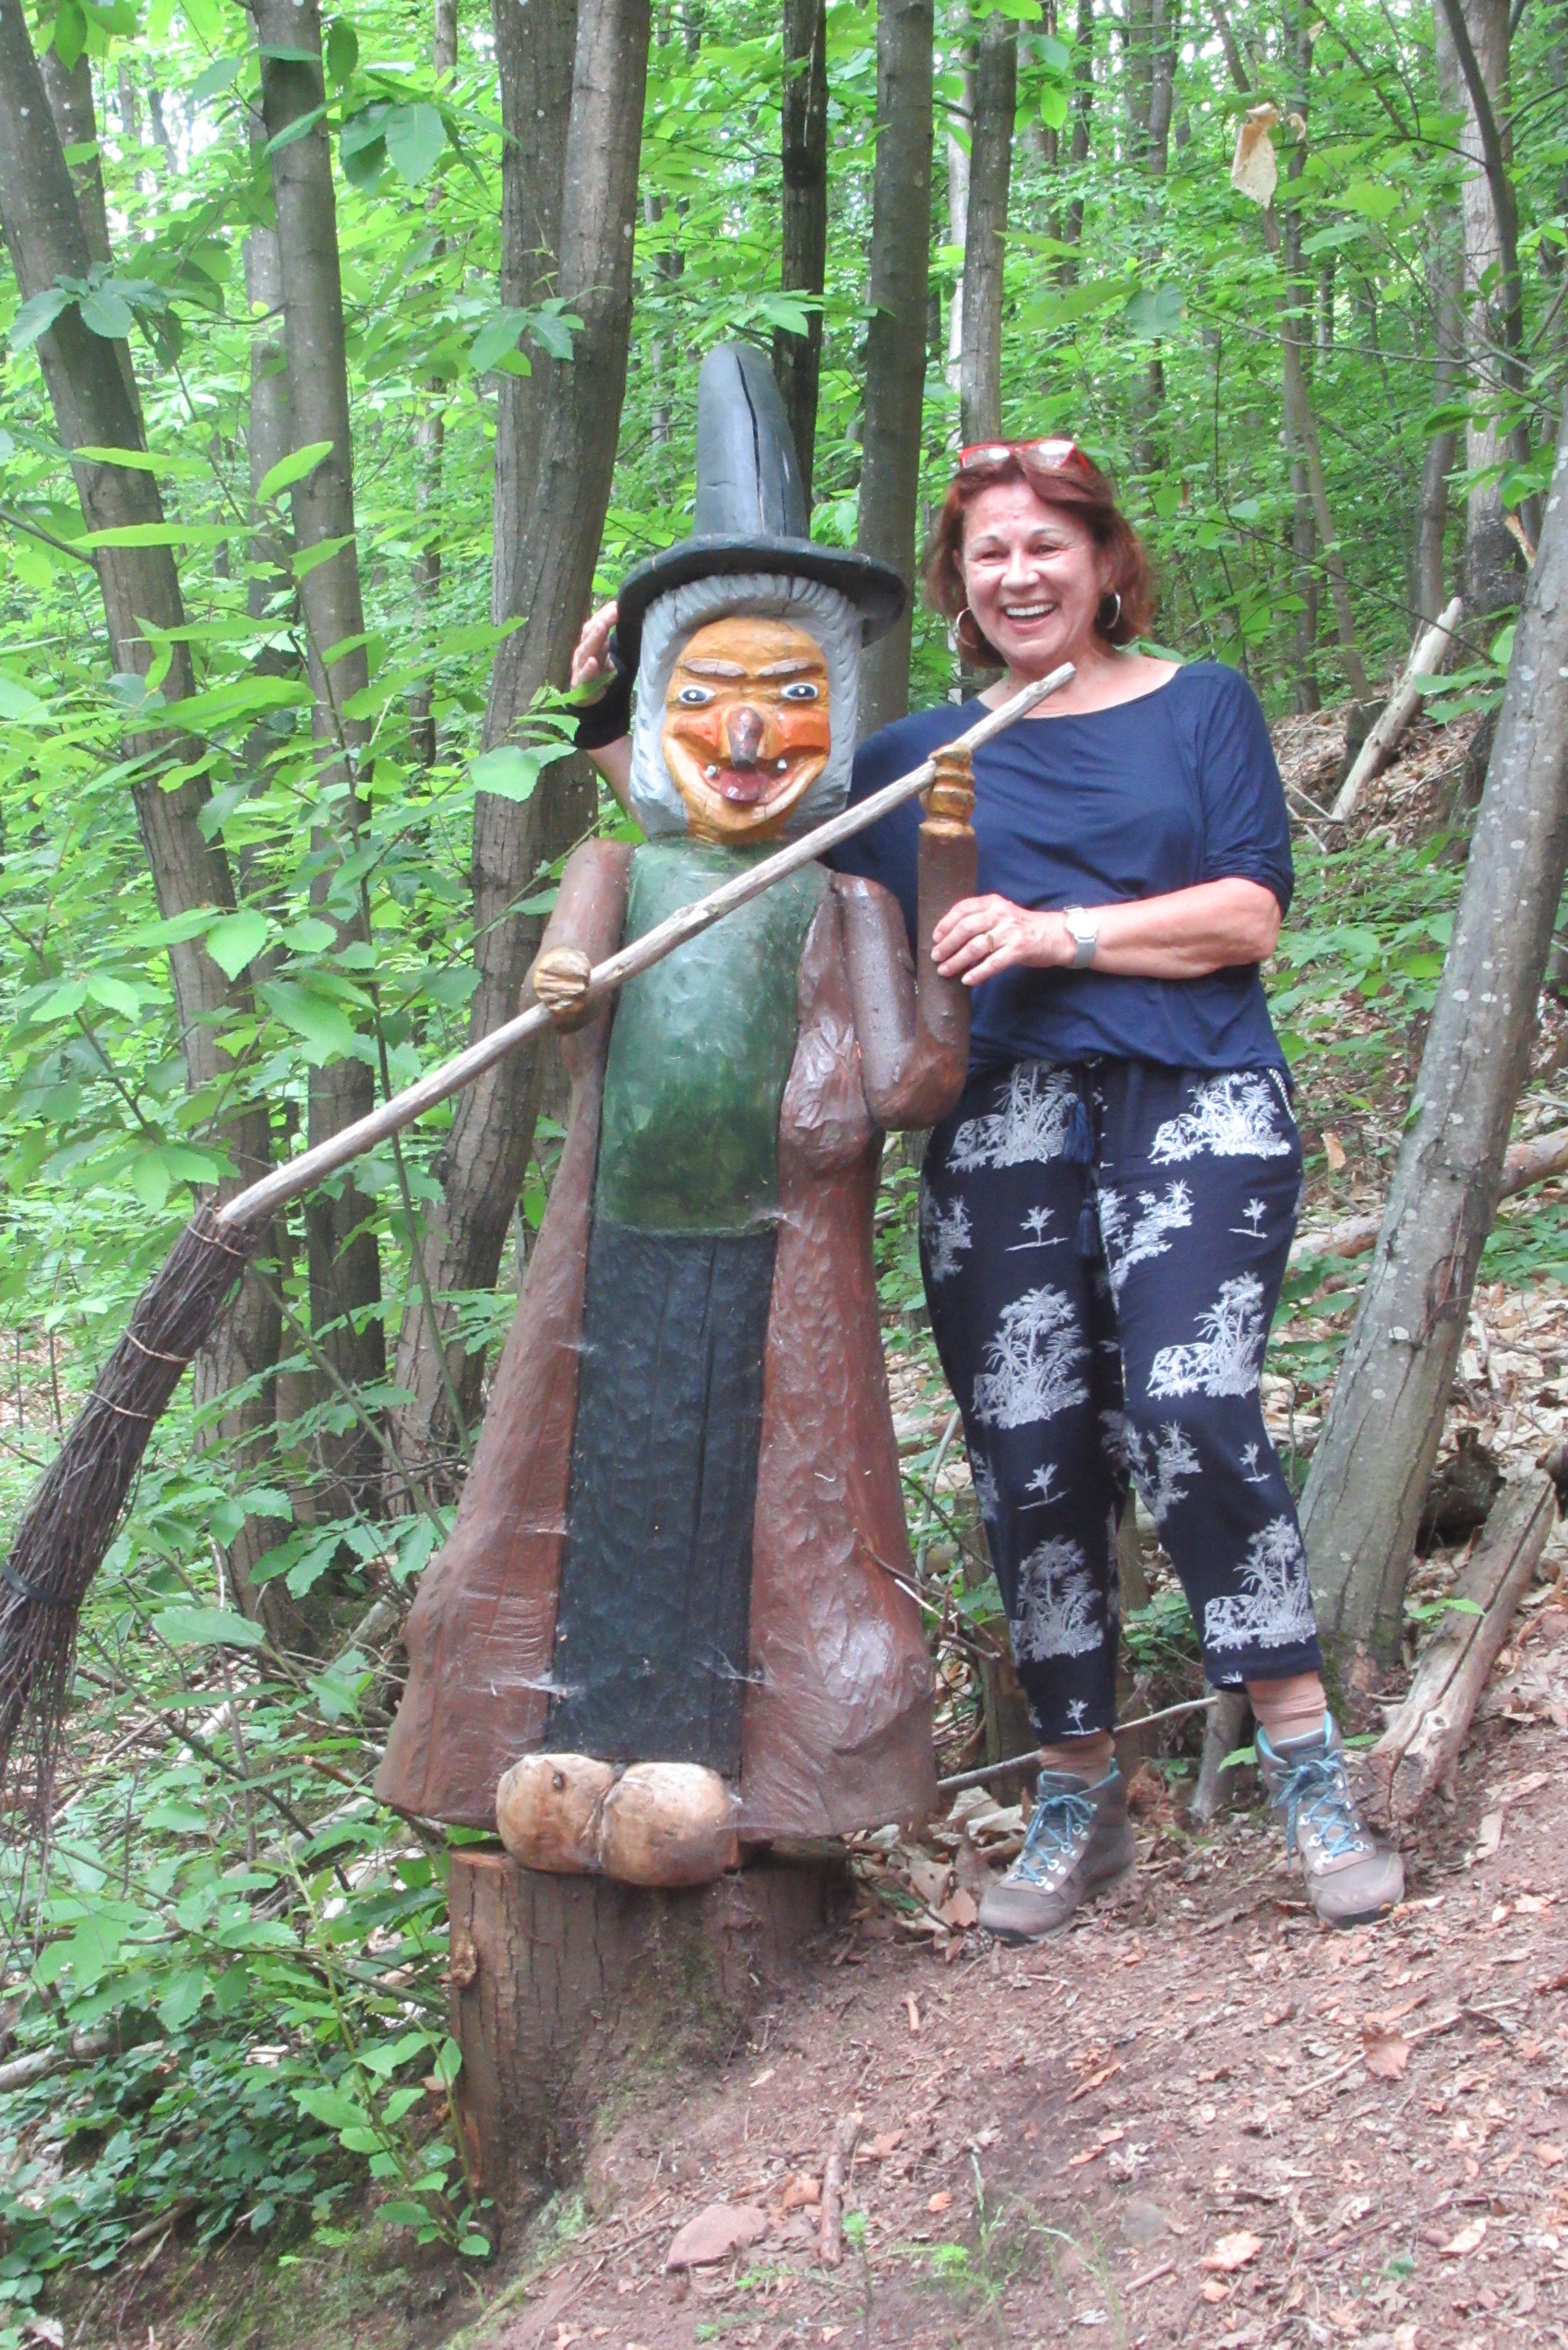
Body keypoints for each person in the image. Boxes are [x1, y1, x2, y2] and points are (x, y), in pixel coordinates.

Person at [576, 434, 1403, 1939]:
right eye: (989, 553)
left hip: (1193, 1094)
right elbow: (732, 820)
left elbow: (1247, 913)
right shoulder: (913, 757)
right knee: (1028, 1451)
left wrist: (1052, 933)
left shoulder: (1201, 704)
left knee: (1189, 1403)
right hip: (1000, 1126)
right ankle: (1076, 1790)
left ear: (1104, 564)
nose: (1019, 574)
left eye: (1046, 546)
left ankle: (1305, 1762)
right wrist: (610, 695)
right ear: (960, 583)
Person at [378, 348, 975, 1886]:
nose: (751, 736)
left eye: (793, 695)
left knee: (773, 1513)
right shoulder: (622, 870)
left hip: (780, 1268)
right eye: (706, 699)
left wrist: (952, 894)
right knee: (600, 1490)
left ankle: (746, 1779)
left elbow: (914, 1087)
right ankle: (571, 1750)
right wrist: (567, 978)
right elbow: (568, 979)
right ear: (653, 719)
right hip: (618, 1257)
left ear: (843, 715)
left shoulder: (848, 903)